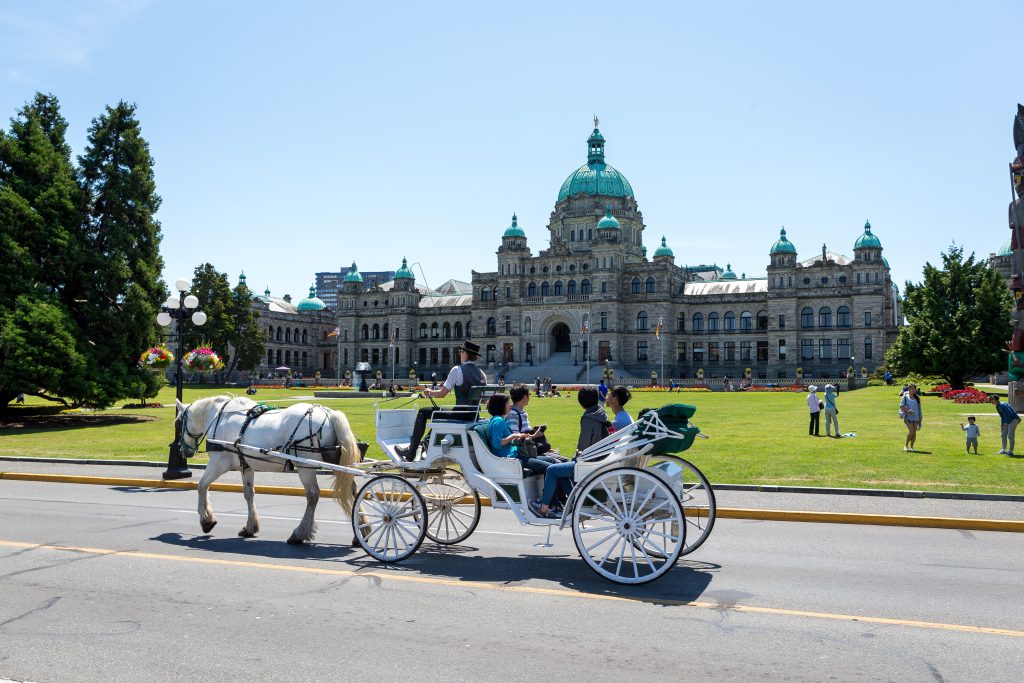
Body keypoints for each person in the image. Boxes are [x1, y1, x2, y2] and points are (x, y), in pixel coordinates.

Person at [395, 341, 487, 461]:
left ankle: (411, 451)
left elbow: (441, 394)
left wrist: (429, 392)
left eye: (461, 351)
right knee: (439, 414)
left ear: (466, 353)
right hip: (474, 415)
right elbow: (483, 399)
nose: (459, 354)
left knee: (423, 412)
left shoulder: (457, 369)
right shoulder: (482, 374)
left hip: (460, 415)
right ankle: (425, 444)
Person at [530, 386, 609, 519]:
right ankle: (572, 502)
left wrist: (575, 457)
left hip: (588, 462)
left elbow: (582, 447)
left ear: (581, 401)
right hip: (598, 458)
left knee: (551, 470)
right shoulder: (600, 413)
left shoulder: (588, 418)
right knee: (561, 466)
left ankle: (544, 506)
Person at [506, 384, 553, 455]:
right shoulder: (512, 414)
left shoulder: (521, 413)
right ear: (525, 397)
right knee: (558, 462)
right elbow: (514, 438)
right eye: (529, 395)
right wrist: (535, 435)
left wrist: (534, 431)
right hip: (523, 453)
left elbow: (522, 433)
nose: (529, 397)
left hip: (530, 450)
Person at [899, 383, 922, 452]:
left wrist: (920, 418)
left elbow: (919, 409)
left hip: (916, 417)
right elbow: (901, 406)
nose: (914, 390)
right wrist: (908, 411)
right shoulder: (905, 397)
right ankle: (905, 445)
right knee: (911, 432)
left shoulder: (917, 398)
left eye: (914, 388)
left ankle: (912, 447)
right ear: (909, 389)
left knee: (914, 433)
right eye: (912, 388)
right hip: (908, 417)